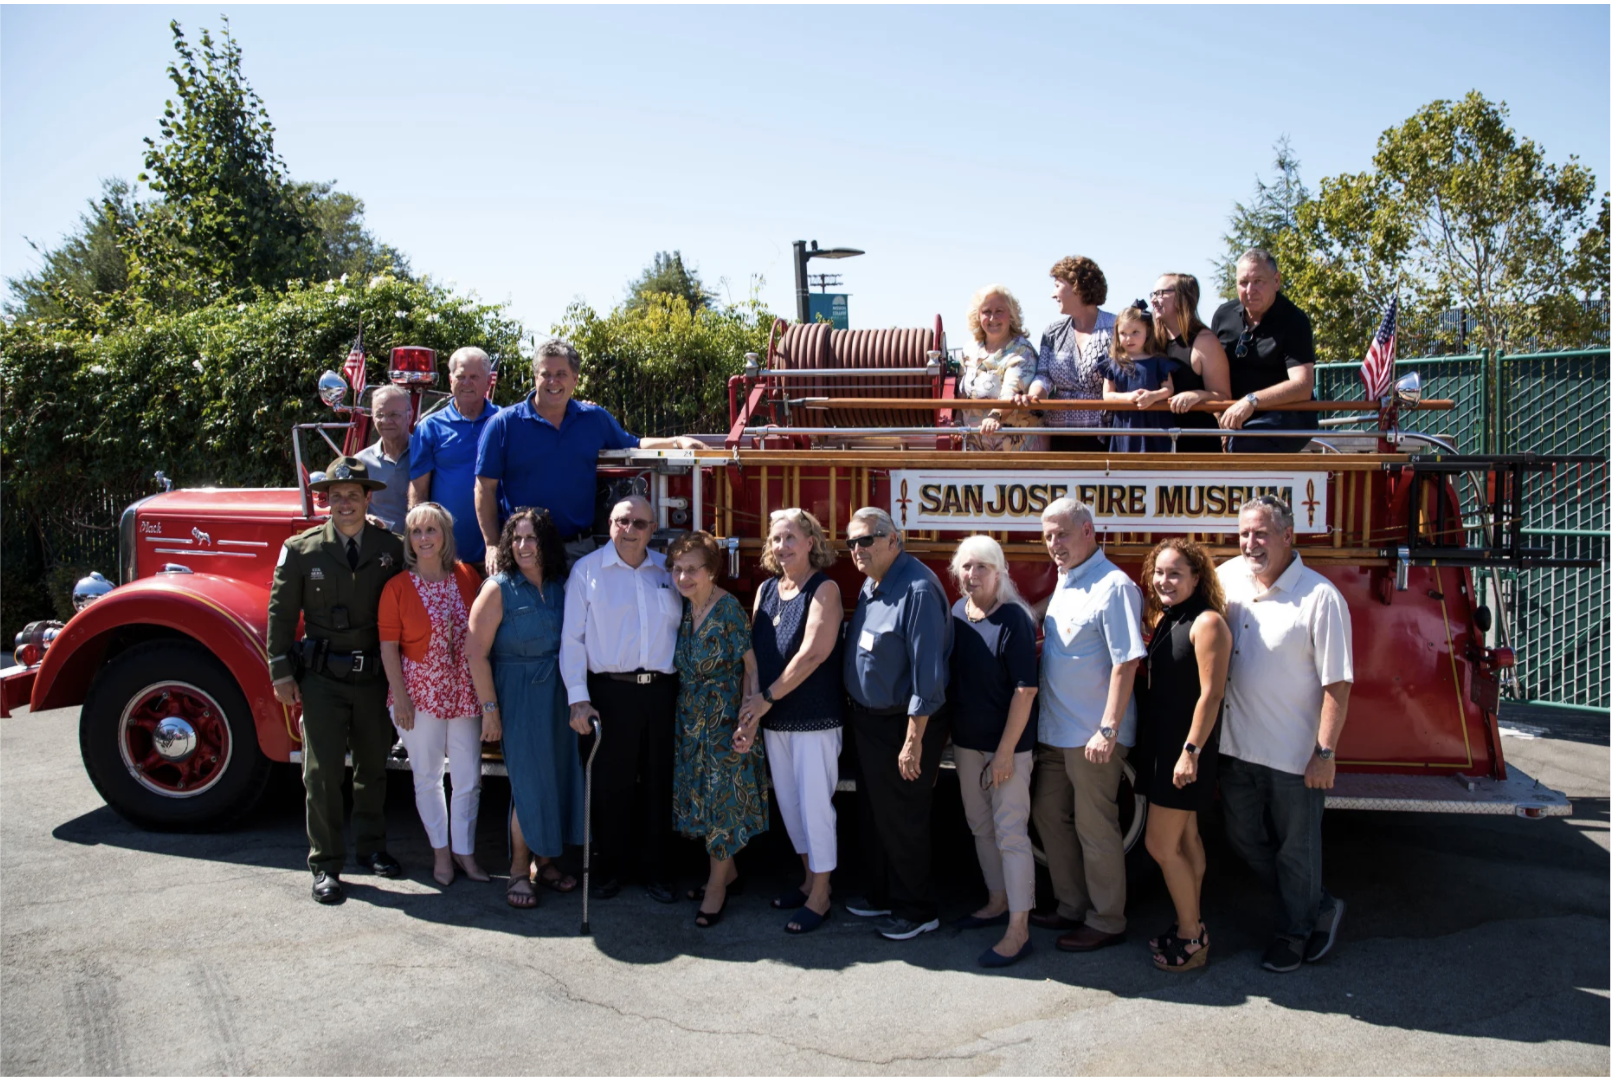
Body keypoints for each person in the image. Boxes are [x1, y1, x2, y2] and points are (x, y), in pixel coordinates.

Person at [1217, 495, 1353, 973]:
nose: (1250, 543)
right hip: (1235, 748)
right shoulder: (1227, 577)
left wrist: (1325, 752)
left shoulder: (1320, 597)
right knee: (1242, 838)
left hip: (1295, 756)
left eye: (1261, 534)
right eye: (1244, 534)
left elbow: (1337, 682)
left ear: (1287, 536)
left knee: (1298, 850)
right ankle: (1319, 906)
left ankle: (1294, 933)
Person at [267, 456, 407, 904]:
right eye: (336, 496)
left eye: (353, 495)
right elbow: (281, 614)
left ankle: (372, 848)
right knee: (322, 774)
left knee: (373, 769)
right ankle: (326, 865)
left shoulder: (391, 547)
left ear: (369, 498)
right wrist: (281, 671)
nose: (344, 503)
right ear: (326, 501)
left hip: (373, 679)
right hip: (322, 679)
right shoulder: (302, 549)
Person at [475, 337, 703, 576]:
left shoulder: (594, 419)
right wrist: (491, 545)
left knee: (583, 615)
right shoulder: (503, 425)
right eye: (546, 374)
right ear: (535, 378)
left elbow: (634, 443)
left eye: (561, 374)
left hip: (578, 552)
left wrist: (677, 441)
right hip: (525, 550)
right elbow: (484, 488)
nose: (553, 381)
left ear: (575, 379)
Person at [1029, 497, 1145, 951]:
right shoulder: (1069, 578)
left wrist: (1109, 729)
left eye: (1061, 533)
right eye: (1047, 536)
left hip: (1093, 736)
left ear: (1088, 531)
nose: (1054, 544)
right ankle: (1070, 905)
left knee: (1095, 827)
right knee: (1047, 813)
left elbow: (1127, 662)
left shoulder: (1113, 585)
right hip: (1057, 732)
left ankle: (1107, 920)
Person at [560, 494, 682, 903]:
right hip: (609, 692)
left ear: (653, 528)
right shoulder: (586, 571)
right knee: (610, 787)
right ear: (609, 523)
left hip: (663, 693)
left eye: (639, 523)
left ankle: (658, 871)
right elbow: (572, 639)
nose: (629, 530)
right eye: (621, 521)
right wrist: (578, 698)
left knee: (659, 783)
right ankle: (610, 869)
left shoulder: (668, 571)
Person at [841, 507, 952, 941]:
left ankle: (915, 909)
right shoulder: (874, 583)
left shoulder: (918, 589)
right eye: (851, 542)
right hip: (870, 722)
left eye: (865, 540)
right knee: (875, 814)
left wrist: (913, 741)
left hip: (902, 726)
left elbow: (928, 676)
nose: (857, 550)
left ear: (893, 540)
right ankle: (883, 894)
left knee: (904, 817)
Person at [466, 507, 583, 909]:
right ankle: (518, 869)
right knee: (530, 784)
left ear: (546, 542)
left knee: (557, 779)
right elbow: (475, 654)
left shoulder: (559, 586)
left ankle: (545, 864)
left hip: (558, 692)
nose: (522, 546)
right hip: (518, 695)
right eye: (516, 538)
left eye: (531, 538)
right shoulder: (498, 588)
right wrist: (490, 710)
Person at [739, 509, 844, 934]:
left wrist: (765, 698)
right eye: (777, 539)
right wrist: (751, 708)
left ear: (811, 542)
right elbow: (753, 657)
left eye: (791, 538)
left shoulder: (825, 589)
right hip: (771, 716)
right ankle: (806, 880)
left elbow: (814, 653)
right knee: (790, 805)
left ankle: (822, 895)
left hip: (814, 717)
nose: (783, 547)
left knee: (816, 807)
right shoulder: (765, 589)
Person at [377, 502, 488, 887]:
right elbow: (389, 647)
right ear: (409, 539)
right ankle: (441, 854)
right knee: (427, 777)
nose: (424, 538)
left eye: (431, 530)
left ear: (445, 536)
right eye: (416, 532)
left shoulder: (466, 576)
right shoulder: (397, 587)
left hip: (464, 690)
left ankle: (465, 852)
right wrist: (401, 697)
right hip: (419, 693)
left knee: (469, 777)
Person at [1135, 538, 1231, 971]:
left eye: (1175, 573)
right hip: (1163, 748)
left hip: (1184, 750)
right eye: (1159, 572)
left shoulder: (1207, 623)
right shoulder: (1170, 617)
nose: (1164, 581)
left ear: (1197, 577)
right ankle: (1189, 922)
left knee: (1159, 844)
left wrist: (1190, 752)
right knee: (1187, 840)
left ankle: (1192, 938)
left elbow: (1210, 696)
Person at [947, 535, 1040, 969]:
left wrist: (1004, 753)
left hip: (1007, 750)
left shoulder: (1014, 620)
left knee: (1010, 833)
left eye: (981, 567)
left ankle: (1019, 931)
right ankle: (996, 901)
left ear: (999, 572)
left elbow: (1025, 691)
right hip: (967, 744)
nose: (972, 575)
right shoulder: (956, 614)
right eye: (966, 567)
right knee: (979, 826)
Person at [667, 531, 768, 928]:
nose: (683, 576)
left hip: (725, 720)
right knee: (704, 801)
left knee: (722, 801)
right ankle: (728, 873)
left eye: (692, 569)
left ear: (711, 571)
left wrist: (748, 721)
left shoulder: (727, 610)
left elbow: (752, 667)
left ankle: (716, 887)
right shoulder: (684, 608)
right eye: (677, 568)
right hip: (691, 719)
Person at [1211, 250, 1319, 453]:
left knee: (1246, 444)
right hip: (1232, 416)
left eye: (1258, 281)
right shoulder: (1223, 315)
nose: (1250, 290)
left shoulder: (1295, 320)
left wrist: (1251, 401)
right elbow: (1211, 373)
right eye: (1243, 282)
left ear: (1276, 281)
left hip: (1283, 417)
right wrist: (1219, 418)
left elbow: (1303, 386)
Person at [410, 346, 500, 566]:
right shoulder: (429, 427)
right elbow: (419, 491)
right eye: (461, 377)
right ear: (450, 380)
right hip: (445, 559)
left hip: (497, 555)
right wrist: (419, 549)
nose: (467, 383)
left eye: (474, 377)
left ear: (488, 382)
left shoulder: (504, 421)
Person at [1019, 256, 1115, 452]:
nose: (1053, 295)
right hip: (1059, 434)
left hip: (1106, 436)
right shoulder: (1052, 332)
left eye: (1057, 286)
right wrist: (1034, 396)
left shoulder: (1117, 329)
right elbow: (1044, 376)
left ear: (1077, 286)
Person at [958, 285, 1044, 452]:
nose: (992, 318)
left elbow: (1012, 390)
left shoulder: (1022, 350)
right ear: (977, 315)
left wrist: (995, 416)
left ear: (1011, 315)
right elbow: (962, 394)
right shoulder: (969, 349)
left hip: (1017, 451)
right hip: (975, 449)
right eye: (986, 312)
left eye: (999, 311)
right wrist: (957, 422)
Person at [1150, 273, 1230, 454]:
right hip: (1157, 445)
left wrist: (1198, 395)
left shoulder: (1205, 342)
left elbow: (1224, 397)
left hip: (1197, 447)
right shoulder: (1151, 340)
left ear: (1182, 298)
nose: (1154, 300)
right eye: (1153, 294)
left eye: (1161, 293)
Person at [1101, 301, 1176, 453]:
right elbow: (1107, 396)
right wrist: (1129, 397)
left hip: (1155, 424)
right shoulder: (1113, 363)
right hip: (1125, 425)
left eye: (1135, 332)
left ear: (1147, 331)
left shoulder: (1158, 361)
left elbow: (1169, 389)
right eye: (1123, 333)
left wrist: (1153, 396)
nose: (1129, 339)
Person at [357, 385, 413, 532]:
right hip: (380, 551)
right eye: (379, 414)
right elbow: (350, 509)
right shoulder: (361, 463)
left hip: (423, 548)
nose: (386, 421)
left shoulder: (426, 455)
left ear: (410, 415)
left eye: (394, 414)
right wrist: (364, 519)